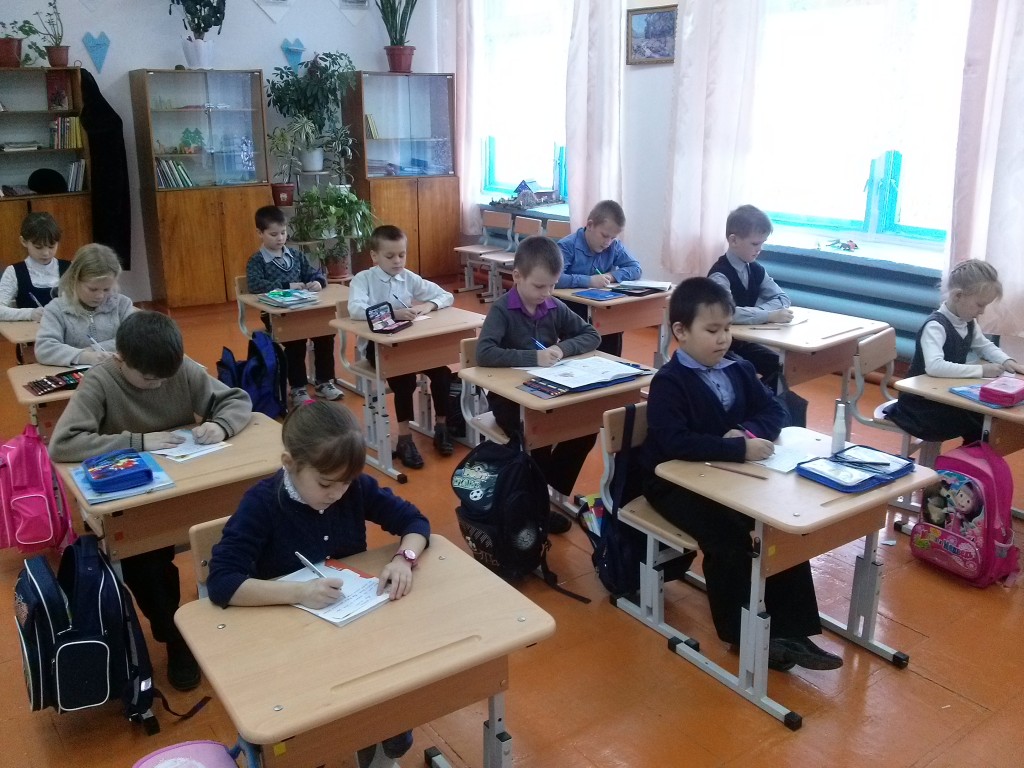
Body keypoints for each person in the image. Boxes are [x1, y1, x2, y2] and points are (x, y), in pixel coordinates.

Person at [207, 401, 429, 768]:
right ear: (289, 463)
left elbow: (415, 522)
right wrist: (299, 592)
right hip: (288, 640)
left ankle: (380, 739)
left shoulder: (354, 488)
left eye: (346, 483)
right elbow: (222, 582)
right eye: (326, 484)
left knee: (393, 679)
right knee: (314, 731)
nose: (337, 493)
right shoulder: (262, 504)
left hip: (352, 624)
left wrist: (403, 559)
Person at [639, 277, 842, 672]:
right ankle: (742, 633)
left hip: (729, 476)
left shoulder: (739, 367)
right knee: (728, 537)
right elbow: (674, 442)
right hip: (672, 482)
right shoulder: (669, 382)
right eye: (712, 330)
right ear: (681, 331)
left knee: (780, 525)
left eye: (727, 328)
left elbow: (775, 411)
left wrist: (746, 433)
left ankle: (792, 630)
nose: (723, 339)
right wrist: (735, 448)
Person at [48, 311, 253, 691]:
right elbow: (63, 443)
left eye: (164, 377)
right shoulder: (100, 381)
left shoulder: (180, 369)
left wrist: (219, 424)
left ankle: (243, 610)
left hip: (190, 483)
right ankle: (174, 635)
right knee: (146, 563)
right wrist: (136, 442)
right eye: (148, 378)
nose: (158, 384)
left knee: (244, 527)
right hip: (138, 499)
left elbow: (236, 400)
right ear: (120, 359)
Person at [477, 235, 602, 533]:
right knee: (538, 436)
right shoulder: (502, 310)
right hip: (509, 398)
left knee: (586, 427)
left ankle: (543, 490)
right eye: (539, 286)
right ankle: (536, 505)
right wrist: (533, 357)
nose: (546, 293)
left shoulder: (553, 306)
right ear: (517, 276)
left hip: (548, 391)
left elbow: (591, 335)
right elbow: (484, 352)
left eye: (552, 286)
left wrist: (561, 348)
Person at [347, 224, 456, 469]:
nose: (397, 261)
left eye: (402, 254)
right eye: (390, 256)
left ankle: (442, 426)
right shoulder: (364, 279)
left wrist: (428, 306)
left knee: (442, 373)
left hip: (410, 343)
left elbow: (446, 295)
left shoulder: (408, 277)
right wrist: (393, 313)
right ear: (374, 256)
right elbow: (355, 309)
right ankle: (405, 439)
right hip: (378, 348)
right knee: (404, 380)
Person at [885, 259, 1024, 443]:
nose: (982, 311)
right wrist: (981, 371)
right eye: (980, 305)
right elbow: (935, 367)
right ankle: (970, 459)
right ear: (958, 295)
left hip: (941, 396)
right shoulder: (935, 326)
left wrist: (1008, 362)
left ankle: (973, 459)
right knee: (980, 421)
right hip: (919, 406)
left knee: (986, 419)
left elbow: (984, 346)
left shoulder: (968, 322)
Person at [246, 205, 344, 410]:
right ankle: (298, 387)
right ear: (260, 233)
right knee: (295, 342)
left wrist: (318, 281)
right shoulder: (257, 260)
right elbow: (255, 285)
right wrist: (286, 286)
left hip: (304, 309)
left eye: (283, 233)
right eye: (273, 234)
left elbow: (313, 272)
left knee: (325, 335)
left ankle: (324, 382)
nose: (280, 238)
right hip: (276, 314)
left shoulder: (295, 255)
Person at [707, 204, 791, 393]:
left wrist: (759, 313)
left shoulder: (755, 269)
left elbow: (782, 297)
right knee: (745, 371)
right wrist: (768, 316)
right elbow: (726, 314)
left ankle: (764, 403)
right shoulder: (720, 275)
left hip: (743, 342)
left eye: (762, 243)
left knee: (779, 366)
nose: (759, 249)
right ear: (734, 240)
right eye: (754, 244)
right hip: (720, 345)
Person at [556, 200, 642, 356]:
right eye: (605, 236)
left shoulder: (614, 246)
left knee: (613, 323)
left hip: (602, 308)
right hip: (571, 309)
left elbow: (636, 268)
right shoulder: (567, 246)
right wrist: (588, 281)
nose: (608, 242)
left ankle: (609, 363)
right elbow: (554, 278)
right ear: (590, 225)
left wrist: (611, 276)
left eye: (613, 238)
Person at [34, 243, 135, 366]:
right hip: (75, 375)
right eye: (93, 289)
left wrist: (93, 349)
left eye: (107, 289)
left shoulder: (123, 305)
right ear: (74, 280)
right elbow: (44, 349)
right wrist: (84, 356)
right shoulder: (56, 308)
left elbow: (134, 340)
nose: (100, 296)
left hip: (114, 372)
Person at [0, 212, 71, 322]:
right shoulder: (14, 272)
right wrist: (30, 313)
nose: (46, 253)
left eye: (51, 246)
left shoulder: (70, 268)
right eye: (38, 247)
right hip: (31, 332)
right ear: (24, 241)